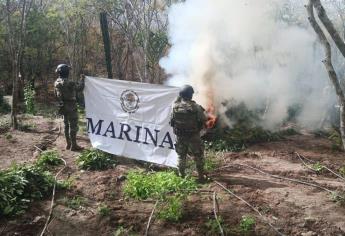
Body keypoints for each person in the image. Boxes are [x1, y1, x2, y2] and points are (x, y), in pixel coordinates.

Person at [170, 85, 207, 182]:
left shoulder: (175, 107)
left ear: (181, 95)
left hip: (180, 136)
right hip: (193, 136)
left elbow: (171, 122)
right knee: (198, 155)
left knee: (181, 156)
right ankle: (201, 177)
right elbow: (204, 119)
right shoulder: (196, 107)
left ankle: (181, 176)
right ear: (191, 95)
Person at [54, 64, 84, 151]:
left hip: (62, 106)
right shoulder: (69, 82)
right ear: (66, 72)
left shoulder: (56, 82)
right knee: (73, 126)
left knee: (66, 125)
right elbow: (80, 88)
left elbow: (55, 94)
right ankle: (73, 146)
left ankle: (68, 144)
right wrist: (82, 79)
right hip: (71, 106)